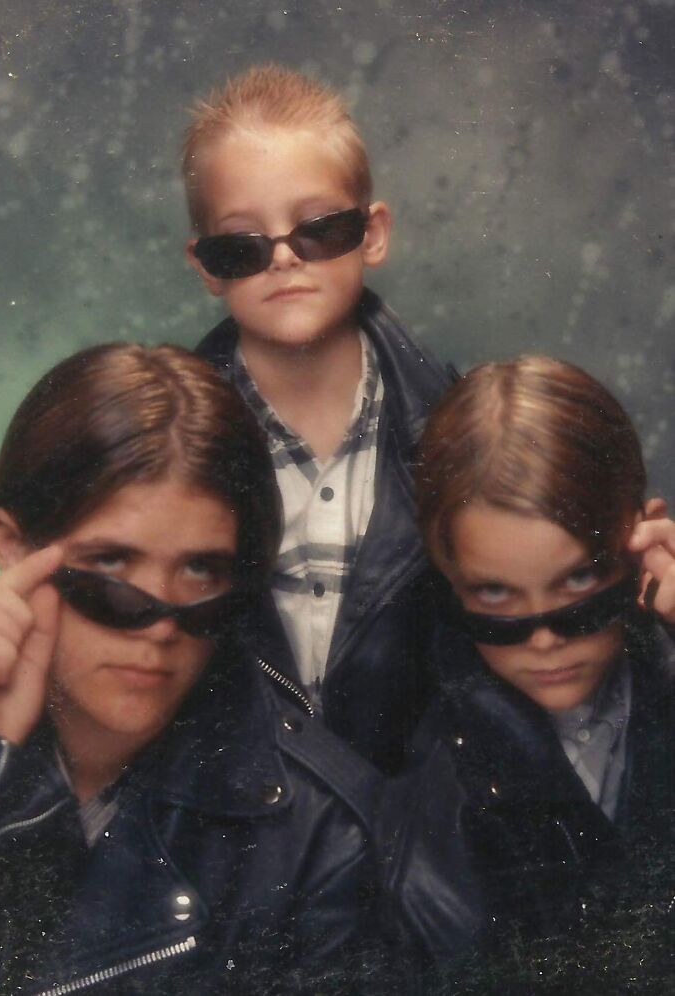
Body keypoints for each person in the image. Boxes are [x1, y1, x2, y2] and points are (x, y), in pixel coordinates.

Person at [0, 343, 382, 996]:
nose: (162, 624)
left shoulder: (319, 834)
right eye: (111, 564)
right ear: (14, 545)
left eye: (199, 570)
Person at [182, 64, 458, 773]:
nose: (282, 260)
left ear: (372, 233)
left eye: (318, 230)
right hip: (234, 833)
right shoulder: (162, 449)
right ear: (208, 267)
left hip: (417, 832)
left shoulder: (463, 430)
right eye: (242, 246)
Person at [379, 356, 675, 990]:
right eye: (495, 596)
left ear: (644, 538)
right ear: (447, 579)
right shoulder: (429, 800)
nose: (543, 638)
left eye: (578, 581)